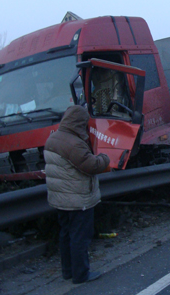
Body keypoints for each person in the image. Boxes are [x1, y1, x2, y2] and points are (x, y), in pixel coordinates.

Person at [44, 105, 110, 284]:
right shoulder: (73, 143)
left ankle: (68, 272)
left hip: (60, 198)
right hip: (78, 199)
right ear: (79, 122)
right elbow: (91, 166)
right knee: (80, 237)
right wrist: (105, 158)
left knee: (66, 234)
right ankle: (81, 274)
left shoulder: (53, 137)